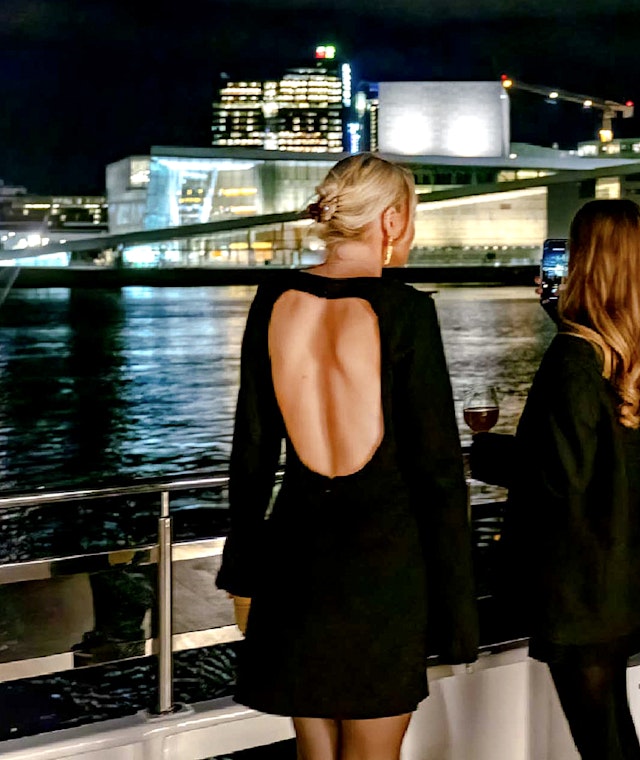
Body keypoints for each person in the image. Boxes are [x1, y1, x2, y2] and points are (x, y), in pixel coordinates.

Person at [216, 153, 478, 760]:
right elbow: (439, 473)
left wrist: (241, 572)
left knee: (315, 750)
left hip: (295, 555)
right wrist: (458, 612)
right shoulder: (406, 310)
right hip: (382, 563)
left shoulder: (274, 298)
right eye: (410, 214)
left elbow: (251, 453)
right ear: (390, 220)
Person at [471, 199, 640, 760]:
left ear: (589, 259)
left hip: (576, 582)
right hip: (617, 570)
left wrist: (482, 455)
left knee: (601, 739)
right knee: (610, 731)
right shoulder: (631, 351)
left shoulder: (573, 355)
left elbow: (557, 474)